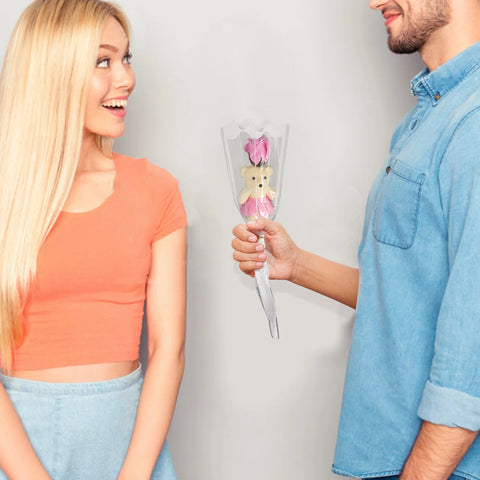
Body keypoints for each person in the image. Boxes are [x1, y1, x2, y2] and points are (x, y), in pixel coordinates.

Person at [232, 0, 480, 479]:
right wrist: (296, 265)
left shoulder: (473, 123)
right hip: (389, 456)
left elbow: (471, 354)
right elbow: (410, 304)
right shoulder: (425, 120)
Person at [0, 1, 187, 479]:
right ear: (54, 72)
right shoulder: (5, 195)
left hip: (128, 450)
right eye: (103, 61)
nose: (125, 78)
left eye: (126, 59)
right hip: (15, 450)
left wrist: (133, 475)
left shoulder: (156, 189)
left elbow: (169, 348)